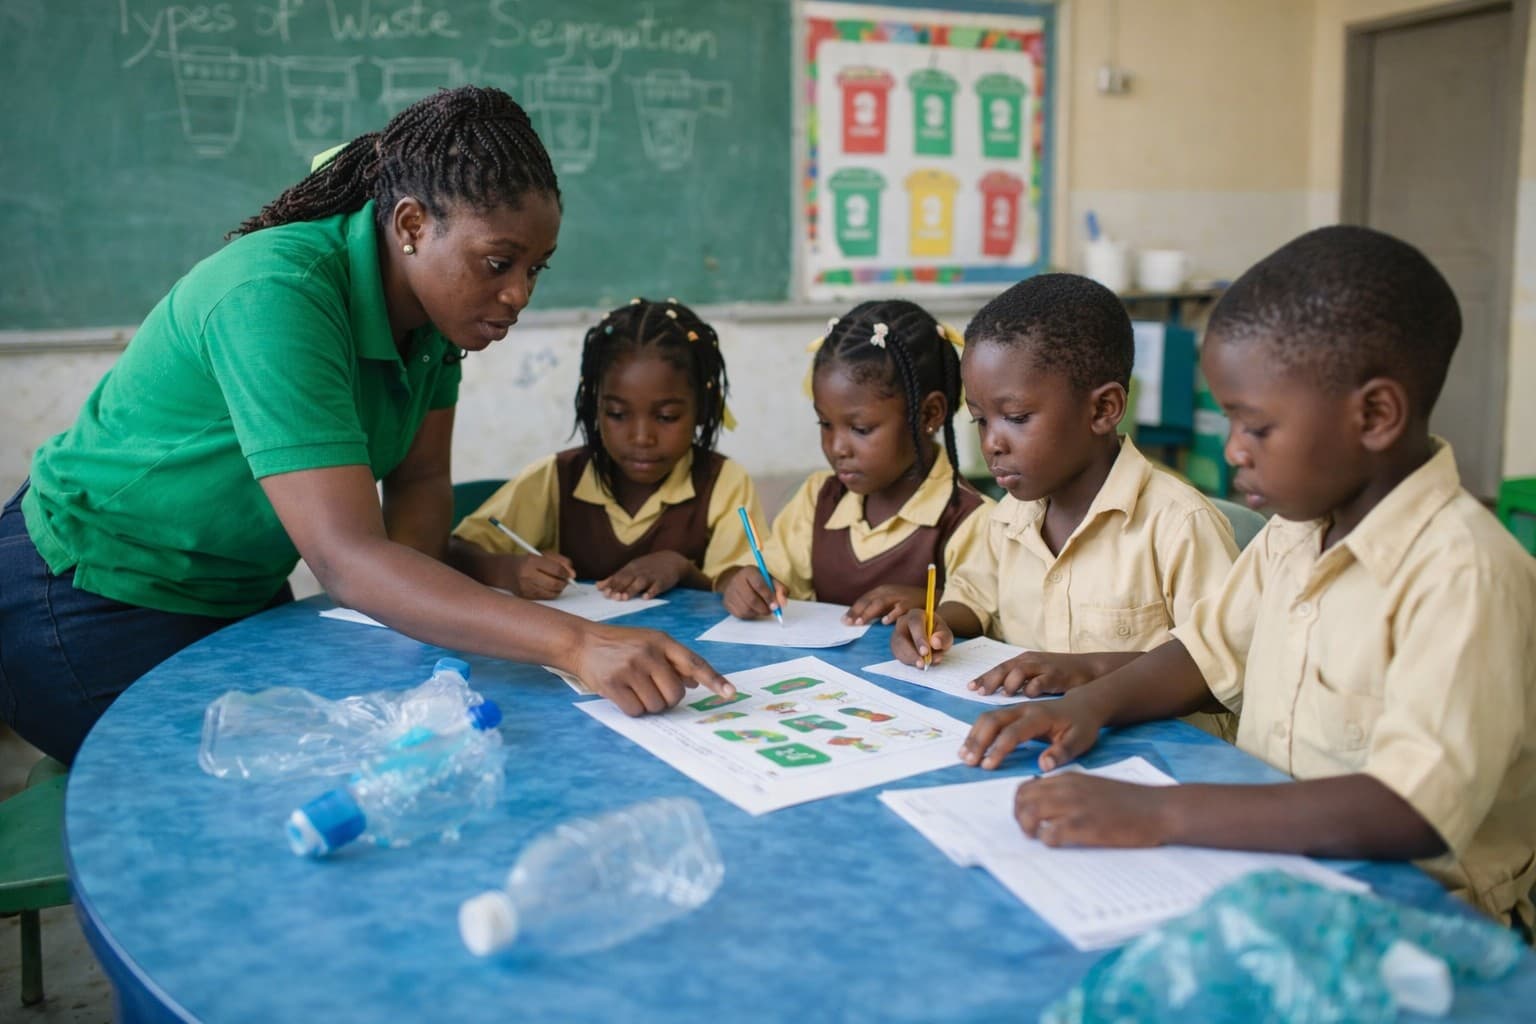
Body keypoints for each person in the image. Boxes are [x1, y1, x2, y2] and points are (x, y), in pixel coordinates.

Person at [0, 86, 731, 764]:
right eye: (498, 262)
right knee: (239, 795)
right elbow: (347, 559)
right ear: (412, 223)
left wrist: (411, 635)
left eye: (536, 268)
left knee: (355, 757)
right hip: (84, 594)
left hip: (236, 593)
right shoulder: (275, 294)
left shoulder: (441, 320)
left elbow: (417, 482)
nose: (517, 295)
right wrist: (576, 643)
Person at [961, 226, 1536, 934]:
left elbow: (1408, 810)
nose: (1232, 450)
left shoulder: (1464, 576)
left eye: (1255, 426)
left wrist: (1158, 813)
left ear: (1375, 415)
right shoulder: (1297, 532)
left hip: (1419, 919)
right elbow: (1204, 655)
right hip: (1271, 868)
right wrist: (1090, 704)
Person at [891, 274, 1237, 705]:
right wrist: (934, 622)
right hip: (1036, 740)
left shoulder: (1179, 526)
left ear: (1102, 409)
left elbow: (1226, 670)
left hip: (1159, 757)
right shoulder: (1006, 520)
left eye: (1016, 417)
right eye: (981, 420)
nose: (992, 443)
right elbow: (974, 602)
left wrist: (1085, 671)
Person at [450, 297, 762, 600]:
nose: (641, 437)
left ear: (703, 409)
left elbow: (743, 587)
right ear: (594, 408)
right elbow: (454, 551)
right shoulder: (557, 479)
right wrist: (510, 571)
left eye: (667, 416)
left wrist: (683, 570)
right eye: (616, 414)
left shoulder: (723, 482)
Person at [718, 299, 991, 626]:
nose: (836, 447)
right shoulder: (819, 498)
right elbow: (767, 571)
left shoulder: (972, 519)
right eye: (825, 424)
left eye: (861, 429)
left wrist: (930, 606)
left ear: (930, 414)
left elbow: (985, 615)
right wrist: (740, 583)